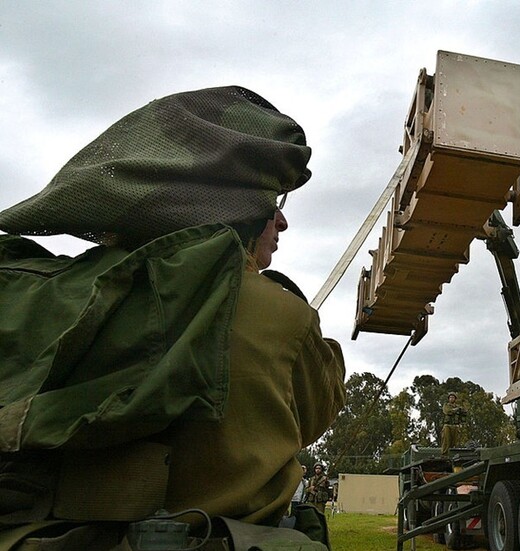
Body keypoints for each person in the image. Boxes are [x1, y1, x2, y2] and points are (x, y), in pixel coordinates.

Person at [0, 86, 346, 549]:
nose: (280, 223)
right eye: (273, 205)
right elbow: (318, 411)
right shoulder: (278, 314)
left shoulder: (44, 290)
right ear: (238, 208)